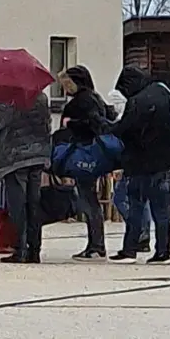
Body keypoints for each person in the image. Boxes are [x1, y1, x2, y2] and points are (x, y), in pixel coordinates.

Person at [109, 67, 170, 264]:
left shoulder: (138, 101)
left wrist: (107, 126)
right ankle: (163, 252)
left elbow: (125, 129)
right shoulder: (163, 92)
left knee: (136, 206)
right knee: (161, 210)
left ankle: (130, 249)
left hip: (141, 162)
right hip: (166, 160)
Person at [0, 92, 52, 263]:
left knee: (18, 205)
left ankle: (21, 249)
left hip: (15, 157)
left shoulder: (6, 98)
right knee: (33, 203)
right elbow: (47, 123)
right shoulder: (41, 97)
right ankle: (34, 249)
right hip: (38, 154)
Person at [59, 65, 109, 260]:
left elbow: (95, 124)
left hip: (84, 154)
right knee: (89, 199)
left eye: (66, 84)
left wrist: (70, 124)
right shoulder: (94, 98)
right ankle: (95, 244)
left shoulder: (83, 101)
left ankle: (96, 245)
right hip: (91, 153)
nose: (64, 89)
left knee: (89, 200)